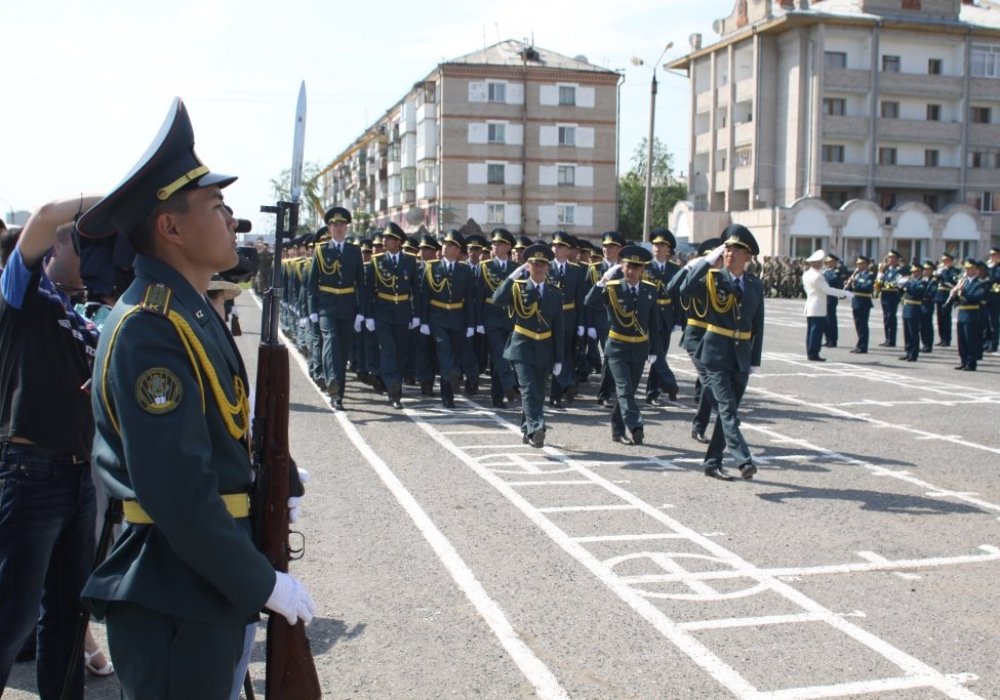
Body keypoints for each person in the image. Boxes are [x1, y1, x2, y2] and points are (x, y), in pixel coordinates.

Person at [75, 98, 314, 699]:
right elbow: (174, 488)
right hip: (174, 590)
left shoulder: (189, 312)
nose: (233, 220)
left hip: (201, 583)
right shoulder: (150, 327)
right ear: (171, 227)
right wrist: (259, 581)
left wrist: (262, 479)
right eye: (218, 206)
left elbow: (212, 438)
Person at [0, 200, 102, 700]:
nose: (93, 256)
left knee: (67, 613)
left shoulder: (79, 313)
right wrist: (111, 200)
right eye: (84, 243)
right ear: (57, 246)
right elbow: (41, 218)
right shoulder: (22, 293)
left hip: (78, 475)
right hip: (31, 471)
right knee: (11, 615)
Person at [678, 225, 765, 481]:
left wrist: (754, 360)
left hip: (741, 356)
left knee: (728, 413)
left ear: (747, 256)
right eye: (727, 248)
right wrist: (705, 262)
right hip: (715, 354)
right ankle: (743, 460)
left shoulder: (754, 286)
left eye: (736, 249)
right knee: (727, 410)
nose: (730, 253)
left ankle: (712, 462)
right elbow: (685, 289)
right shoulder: (712, 278)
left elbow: (758, 324)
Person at [492, 244, 564, 447]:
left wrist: (559, 358)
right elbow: (497, 299)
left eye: (542, 264)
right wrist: (512, 277)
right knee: (529, 388)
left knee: (538, 393)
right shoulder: (518, 287)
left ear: (548, 267)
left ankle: (526, 430)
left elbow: (559, 327)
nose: (538, 267)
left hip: (544, 348)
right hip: (521, 346)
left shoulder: (555, 293)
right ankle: (537, 428)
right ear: (528, 266)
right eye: (534, 263)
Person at [585, 244, 658, 446]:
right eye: (628, 266)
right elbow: (589, 302)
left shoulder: (650, 290)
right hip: (617, 347)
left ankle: (617, 431)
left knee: (629, 392)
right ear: (621, 267)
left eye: (636, 267)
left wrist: (655, 351)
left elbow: (655, 323)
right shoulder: (612, 288)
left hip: (639, 348)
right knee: (624, 390)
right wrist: (602, 281)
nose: (631, 270)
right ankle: (636, 425)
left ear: (642, 269)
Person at [307, 206, 366, 410]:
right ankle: (332, 383)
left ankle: (338, 393)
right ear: (329, 228)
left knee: (342, 351)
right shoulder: (321, 251)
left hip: (348, 307)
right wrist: (312, 310)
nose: (338, 228)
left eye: (341, 224)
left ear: (346, 228)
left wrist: (361, 313)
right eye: (334, 224)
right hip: (327, 307)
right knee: (330, 342)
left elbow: (361, 284)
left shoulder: (354, 251)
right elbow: (312, 284)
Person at [672, 238, 722, 443]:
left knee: (705, 385)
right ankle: (727, 418)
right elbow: (675, 287)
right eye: (713, 259)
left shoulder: (723, 281)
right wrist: (691, 268)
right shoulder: (697, 281)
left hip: (715, 339)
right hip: (695, 336)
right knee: (710, 381)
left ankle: (699, 427)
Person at [367, 222, 420, 409]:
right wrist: (368, 316)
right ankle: (393, 389)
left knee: (400, 352)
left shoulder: (410, 261)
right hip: (383, 312)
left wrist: (416, 315)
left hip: (403, 312)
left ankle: (394, 385)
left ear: (398, 242)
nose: (385, 241)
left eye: (389, 238)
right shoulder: (377, 261)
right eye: (385, 238)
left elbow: (416, 290)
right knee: (388, 350)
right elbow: (369, 291)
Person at [419, 230, 475, 408]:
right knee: (444, 351)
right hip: (438, 317)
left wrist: (471, 324)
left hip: (457, 317)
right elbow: (424, 296)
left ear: (458, 250)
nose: (445, 247)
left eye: (450, 245)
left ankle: (448, 394)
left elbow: (470, 300)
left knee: (454, 355)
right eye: (444, 244)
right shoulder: (432, 267)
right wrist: (424, 321)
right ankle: (451, 378)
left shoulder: (464, 270)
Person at [477, 229, 518, 408]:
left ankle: (497, 395)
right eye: (494, 243)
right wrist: (477, 322)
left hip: (509, 317)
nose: (495, 245)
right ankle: (508, 385)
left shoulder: (516, 268)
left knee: (502, 357)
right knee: (499, 352)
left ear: (508, 246)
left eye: (500, 243)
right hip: (491, 316)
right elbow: (478, 296)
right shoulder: (485, 266)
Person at [547, 231, 585, 408]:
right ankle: (561, 390)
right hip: (550, 317)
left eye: (560, 246)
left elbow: (580, 300)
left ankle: (562, 391)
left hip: (569, 317)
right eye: (554, 245)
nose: (556, 249)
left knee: (567, 354)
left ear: (568, 250)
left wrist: (581, 323)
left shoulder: (576, 270)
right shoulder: (545, 267)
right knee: (556, 354)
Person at [644, 228, 681, 405]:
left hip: (667, 316)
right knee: (655, 352)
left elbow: (679, 296)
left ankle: (653, 392)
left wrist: (679, 320)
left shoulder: (675, 269)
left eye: (662, 245)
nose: (657, 248)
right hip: (650, 316)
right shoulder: (645, 267)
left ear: (669, 249)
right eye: (655, 245)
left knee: (660, 354)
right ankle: (669, 383)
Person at [802, 249, 852, 362]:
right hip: (818, 306)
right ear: (815, 263)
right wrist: (844, 293)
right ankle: (814, 353)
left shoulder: (807, 274)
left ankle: (810, 351)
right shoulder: (818, 276)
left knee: (811, 330)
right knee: (816, 331)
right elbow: (827, 290)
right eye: (820, 262)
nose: (822, 264)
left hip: (810, 305)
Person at [953, 258, 988, 371]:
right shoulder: (964, 281)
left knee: (971, 340)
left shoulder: (981, 283)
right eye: (966, 269)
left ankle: (971, 363)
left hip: (972, 314)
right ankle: (963, 361)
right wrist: (954, 294)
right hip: (962, 313)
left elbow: (976, 297)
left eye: (970, 269)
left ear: (976, 270)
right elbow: (959, 299)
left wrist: (963, 291)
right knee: (961, 340)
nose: (967, 271)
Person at [899, 262, 931, 362]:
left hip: (915, 307)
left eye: (916, 271)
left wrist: (906, 287)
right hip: (907, 307)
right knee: (907, 332)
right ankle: (908, 351)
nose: (914, 273)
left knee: (913, 332)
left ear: (921, 272)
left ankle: (914, 353)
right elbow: (901, 290)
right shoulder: (911, 280)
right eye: (913, 272)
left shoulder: (923, 282)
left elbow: (917, 292)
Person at [844, 255, 876, 354]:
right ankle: (859, 344)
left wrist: (855, 283)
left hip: (864, 302)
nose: (858, 266)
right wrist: (848, 284)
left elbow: (867, 287)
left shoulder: (870, 275)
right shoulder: (857, 275)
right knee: (858, 325)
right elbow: (852, 287)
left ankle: (863, 346)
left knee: (863, 325)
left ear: (866, 264)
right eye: (857, 264)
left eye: (861, 264)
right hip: (856, 301)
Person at [876, 249, 905, 347]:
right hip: (884, 296)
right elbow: (879, 283)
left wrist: (884, 285)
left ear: (896, 259)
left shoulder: (899, 270)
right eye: (888, 257)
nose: (889, 259)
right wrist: (880, 275)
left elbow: (896, 284)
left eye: (891, 257)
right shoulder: (887, 269)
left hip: (892, 296)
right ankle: (887, 338)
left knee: (891, 318)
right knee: (886, 318)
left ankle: (891, 340)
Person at [822, 253, 847, 347]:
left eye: (830, 262)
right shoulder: (825, 271)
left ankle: (833, 340)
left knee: (831, 319)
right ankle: (827, 338)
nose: (828, 263)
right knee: (824, 319)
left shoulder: (836, 271)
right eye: (827, 262)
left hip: (831, 297)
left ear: (834, 262)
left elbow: (832, 281)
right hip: (823, 297)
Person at [985, 247, 1000, 354]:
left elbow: (996, 280)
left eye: (994, 255)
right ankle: (986, 343)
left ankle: (993, 345)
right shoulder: (990, 267)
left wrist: (992, 269)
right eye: (991, 255)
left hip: (995, 298)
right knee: (986, 322)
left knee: (993, 323)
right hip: (987, 297)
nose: (992, 257)